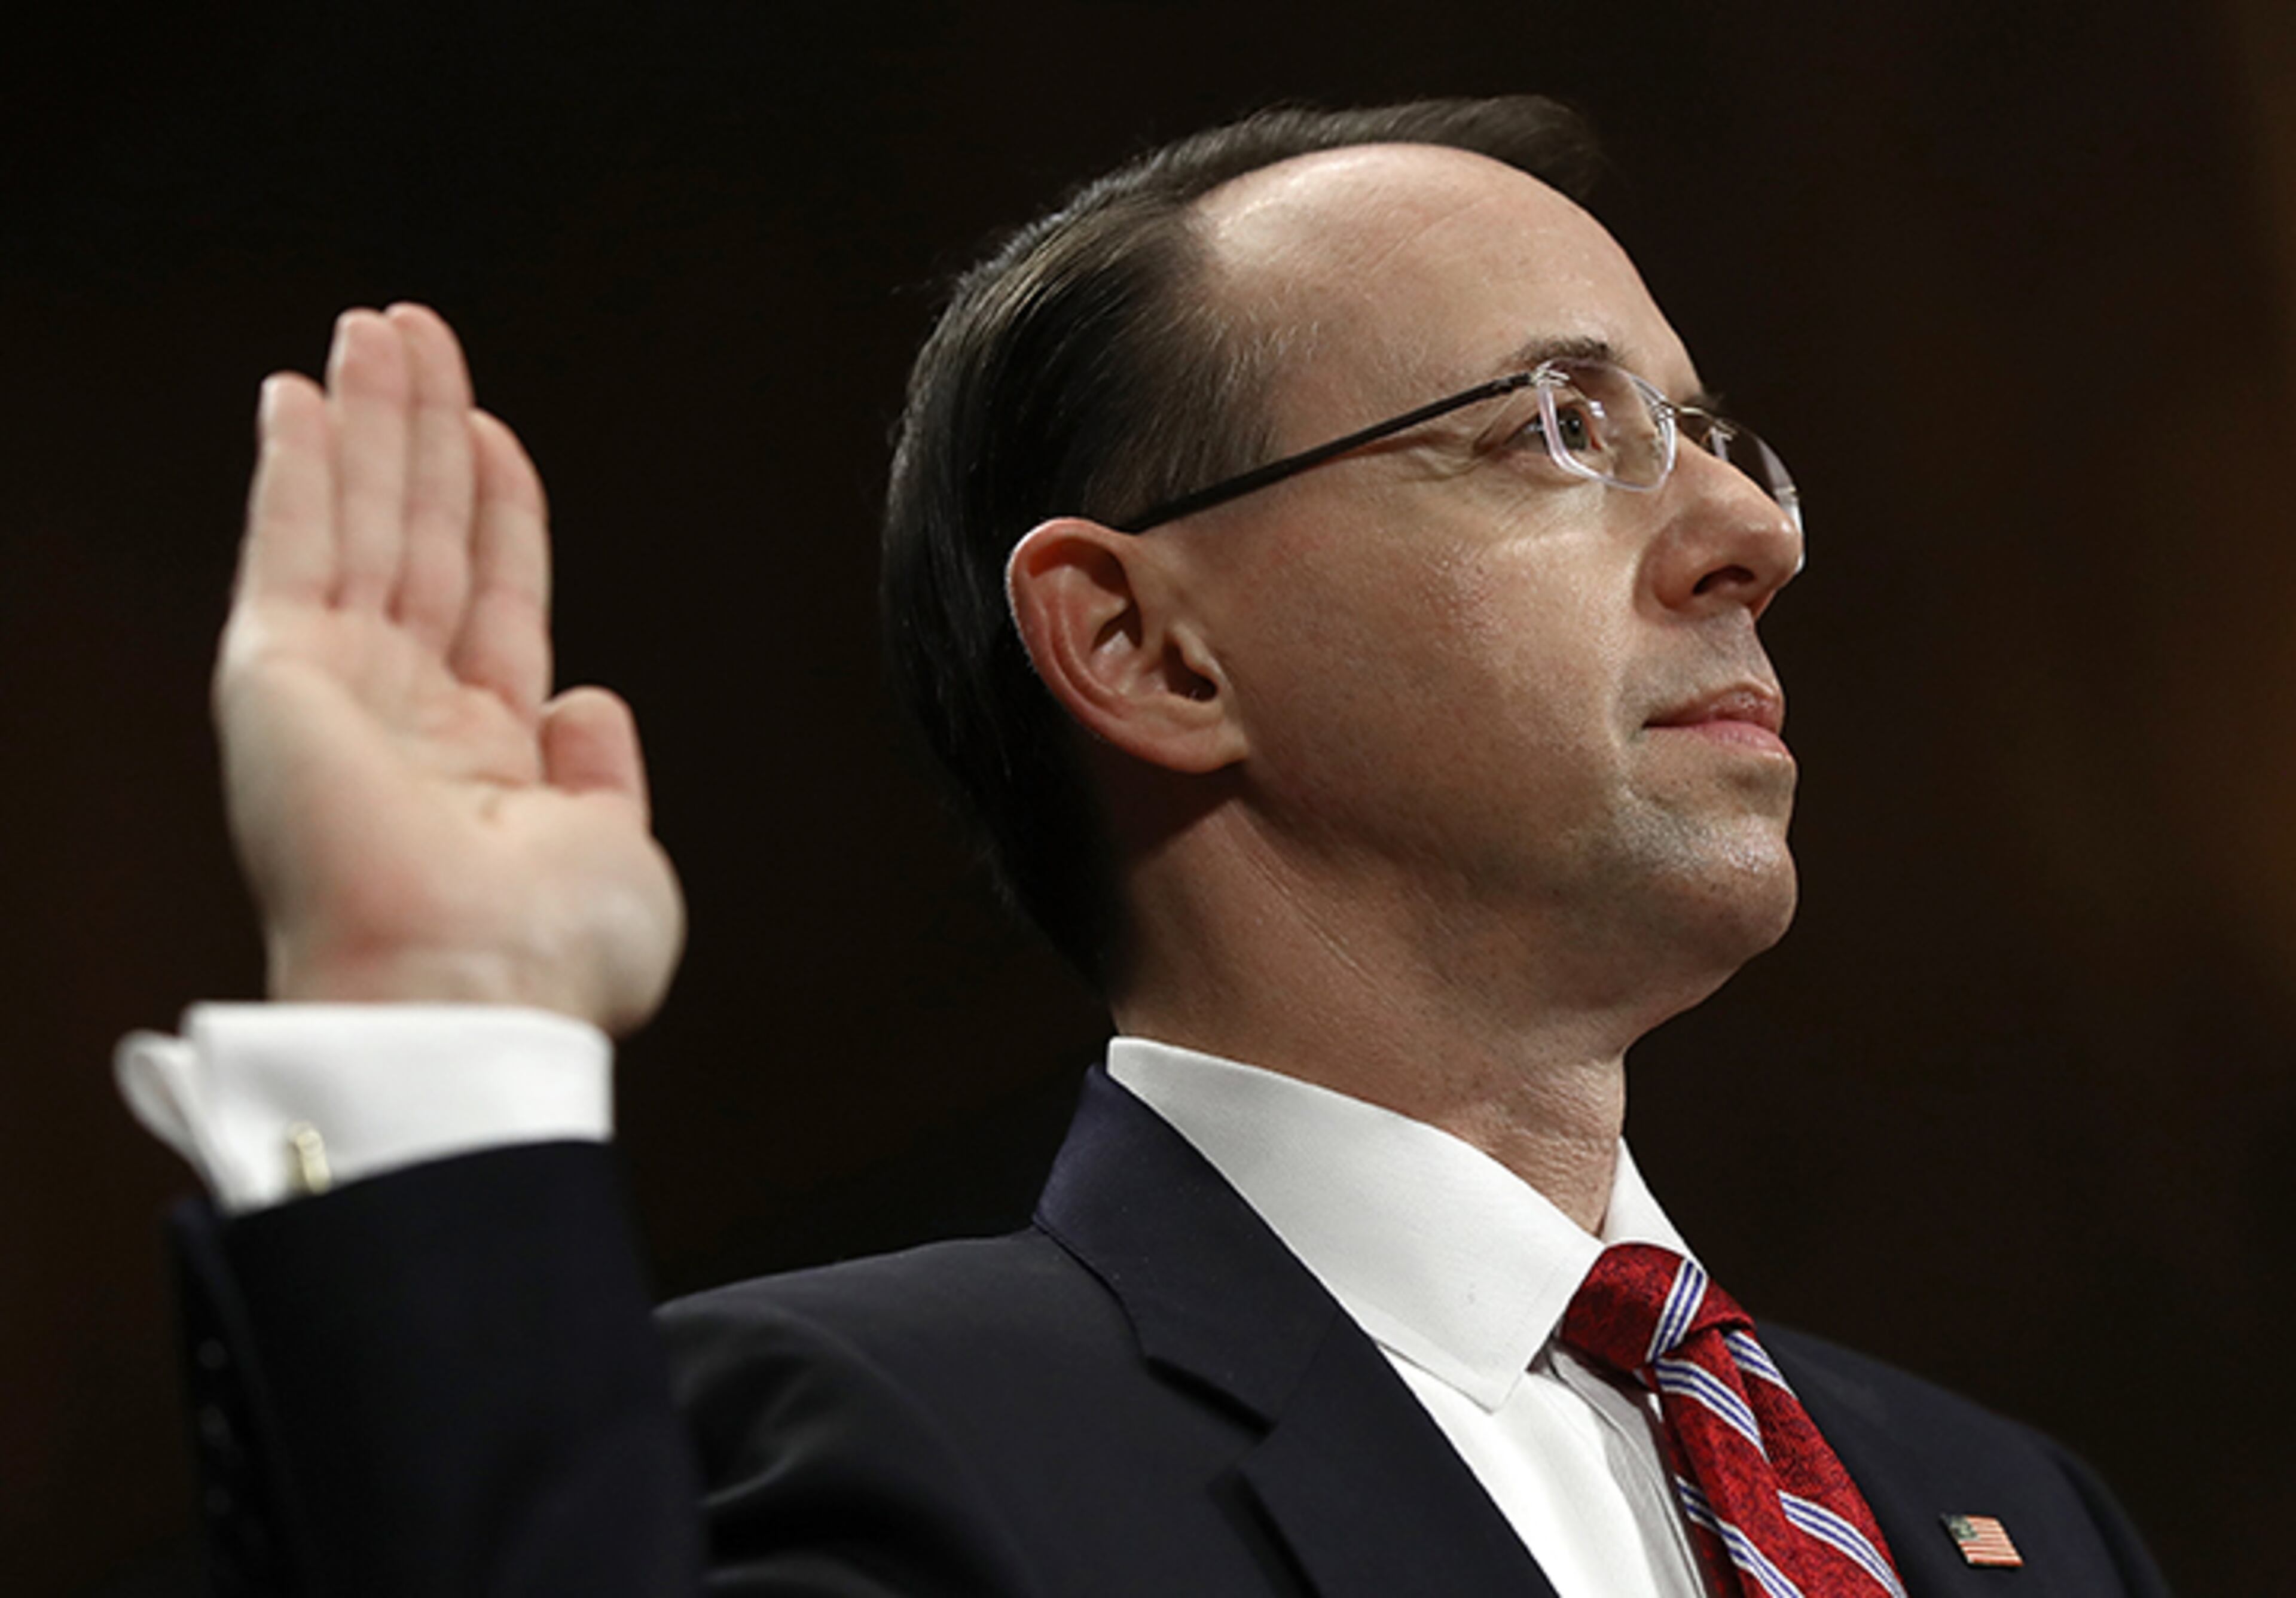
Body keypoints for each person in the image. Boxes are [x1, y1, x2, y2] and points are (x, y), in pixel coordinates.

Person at [123, 97, 2173, 1595]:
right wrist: (430, 1020)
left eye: (1713, 439)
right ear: (1142, 647)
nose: (1752, 536)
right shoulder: (882, 1447)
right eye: (1561, 426)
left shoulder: (2012, 1516)